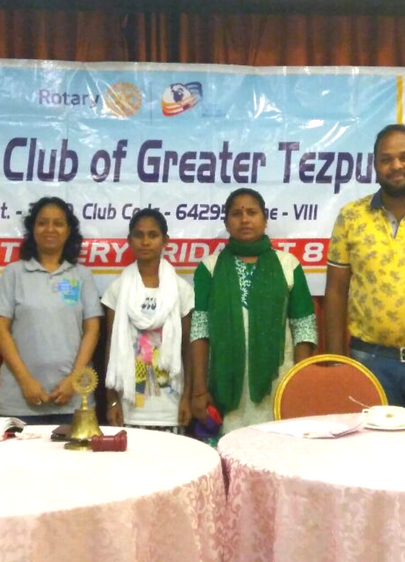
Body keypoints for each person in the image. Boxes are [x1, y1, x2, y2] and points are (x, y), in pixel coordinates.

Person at [190, 188, 317, 433]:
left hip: (279, 382)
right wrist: (199, 390)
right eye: (236, 213)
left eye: (252, 212)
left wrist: (300, 385)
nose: (245, 219)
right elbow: (199, 331)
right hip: (224, 387)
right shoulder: (209, 268)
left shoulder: (288, 264)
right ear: (226, 223)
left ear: (264, 219)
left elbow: (304, 328)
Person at [0, 196, 103, 425]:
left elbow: (92, 330)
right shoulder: (14, 273)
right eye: (42, 223)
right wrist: (25, 381)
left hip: (74, 401)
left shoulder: (81, 275)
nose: (50, 229)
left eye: (58, 223)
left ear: (69, 230)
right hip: (21, 401)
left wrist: (74, 380)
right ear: (32, 229)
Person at [326, 124, 405, 404]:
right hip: (370, 361)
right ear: (375, 165)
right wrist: (336, 362)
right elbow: (335, 292)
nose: (396, 165)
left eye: (403, 157)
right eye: (386, 159)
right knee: (372, 446)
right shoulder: (351, 217)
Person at [102, 209, 194, 433]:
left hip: (171, 407)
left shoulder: (181, 290)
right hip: (129, 408)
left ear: (165, 241)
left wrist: (187, 399)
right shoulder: (117, 289)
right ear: (129, 241)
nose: (145, 241)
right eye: (138, 235)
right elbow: (110, 346)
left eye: (153, 235)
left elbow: (188, 349)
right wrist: (112, 400)